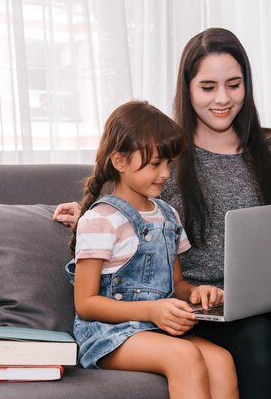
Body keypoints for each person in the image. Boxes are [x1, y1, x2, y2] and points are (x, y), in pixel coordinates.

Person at [54, 28, 271, 399]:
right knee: (255, 339)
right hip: (203, 305)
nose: (222, 99)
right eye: (208, 87)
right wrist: (83, 214)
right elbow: (128, 200)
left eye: (234, 85)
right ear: (187, 90)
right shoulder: (170, 159)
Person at [65, 100, 238, 399]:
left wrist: (198, 293)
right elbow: (86, 303)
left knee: (221, 360)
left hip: (155, 328)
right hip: (108, 334)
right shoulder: (100, 220)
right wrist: (151, 311)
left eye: (169, 163)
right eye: (155, 164)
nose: (166, 173)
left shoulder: (168, 214)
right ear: (119, 161)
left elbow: (178, 284)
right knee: (184, 357)